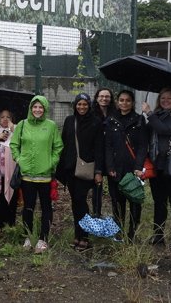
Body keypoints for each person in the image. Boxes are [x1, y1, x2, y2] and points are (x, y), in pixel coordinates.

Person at [10, 95, 63, 254]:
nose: (38, 110)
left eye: (41, 107)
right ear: (30, 108)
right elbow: (14, 144)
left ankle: (43, 238)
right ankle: (29, 236)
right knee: (28, 207)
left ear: (45, 109)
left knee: (46, 207)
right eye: (35, 107)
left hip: (45, 175)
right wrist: (19, 159)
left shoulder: (51, 126)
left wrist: (51, 162)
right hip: (27, 175)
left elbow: (58, 147)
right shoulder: (22, 124)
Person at [142, 88, 171, 251]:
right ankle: (158, 235)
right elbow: (148, 134)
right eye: (163, 98)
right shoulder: (158, 115)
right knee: (159, 202)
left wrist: (149, 113)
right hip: (158, 166)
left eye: (170, 98)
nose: (166, 100)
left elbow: (165, 130)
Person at [58, 93, 104, 250]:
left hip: (86, 169)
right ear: (75, 105)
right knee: (76, 203)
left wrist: (99, 171)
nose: (82, 107)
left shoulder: (96, 123)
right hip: (71, 169)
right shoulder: (70, 121)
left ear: (89, 105)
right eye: (79, 104)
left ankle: (84, 236)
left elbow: (99, 147)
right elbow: (64, 142)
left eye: (85, 104)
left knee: (81, 201)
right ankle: (78, 235)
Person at [105, 90, 148, 242]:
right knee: (117, 201)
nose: (124, 103)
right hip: (116, 168)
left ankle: (133, 233)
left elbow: (143, 146)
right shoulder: (110, 120)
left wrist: (138, 166)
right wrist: (109, 166)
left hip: (133, 169)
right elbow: (108, 146)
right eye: (121, 100)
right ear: (117, 102)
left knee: (135, 201)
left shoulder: (139, 120)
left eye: (128, 100)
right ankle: (119, 231)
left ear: (133, 102)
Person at [91, 87, 114, 217]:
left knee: (113, 188)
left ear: (110, 99)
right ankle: (96, 214)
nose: (104, 99)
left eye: (107, 96)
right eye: (101, 96)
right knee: (97, 187)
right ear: (97, 97)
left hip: (111, 155)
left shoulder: (115, 113)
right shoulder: (92, 113)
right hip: (97, 155)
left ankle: (116, 218)